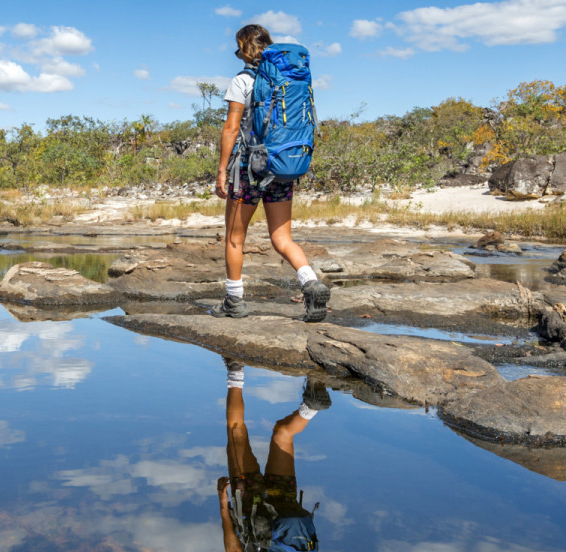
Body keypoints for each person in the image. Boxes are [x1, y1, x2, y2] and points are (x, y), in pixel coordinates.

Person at [213, 24, 330, 322]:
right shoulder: (288, 80)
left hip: (251, 168)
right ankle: (310, 283)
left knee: (234, 238)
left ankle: (234, 301)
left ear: (243, 48)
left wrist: (221, 172)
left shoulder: (242, 80)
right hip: (282, 166)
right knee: (282, 238)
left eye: (237, 48)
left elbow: (231, 129)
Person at [219, 357, 325, 551]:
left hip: (286, 504)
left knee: (283, 433)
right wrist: (224, 507)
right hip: (253, 504)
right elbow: (232, 547)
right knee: (236, 432)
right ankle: (235, 367)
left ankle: (310, 408)